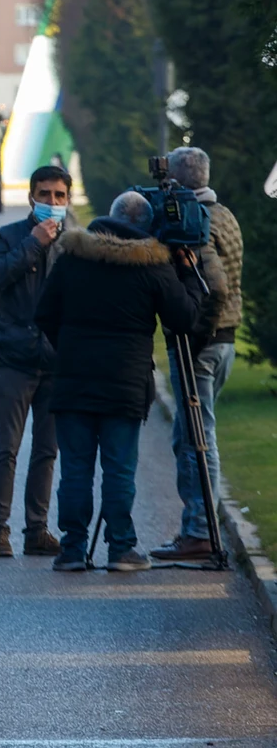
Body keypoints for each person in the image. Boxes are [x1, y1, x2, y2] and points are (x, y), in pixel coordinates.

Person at [37, 191, 207, 572]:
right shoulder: (153, 266)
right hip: (125, 382)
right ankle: (121, 549)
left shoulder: (73, 258)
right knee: (119, 469)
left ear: (107, 217)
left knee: (76, 469)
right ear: (147, 227)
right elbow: (184, 319)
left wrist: (68, 348)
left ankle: (73, 549)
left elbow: (44, 313)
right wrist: (188, 274)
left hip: (74, 380)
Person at [151, 147, 244, 561]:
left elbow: (216, 286)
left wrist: (195, 331)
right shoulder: (223, 213)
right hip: (226, 340)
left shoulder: (195, 221)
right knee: (197, 435)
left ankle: (199, 533)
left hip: (202, 345)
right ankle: (199, 529)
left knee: (195, 441)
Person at [0, 165, 72, 558]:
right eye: (45, 194)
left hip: (55, 362)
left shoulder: (74, 246)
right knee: (8, 447)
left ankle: (37, 529)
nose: (52, 202)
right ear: (31, 197)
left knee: (47, 451)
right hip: (14, 359)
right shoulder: (6, 238)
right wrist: (34, 242)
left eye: (59, 196)